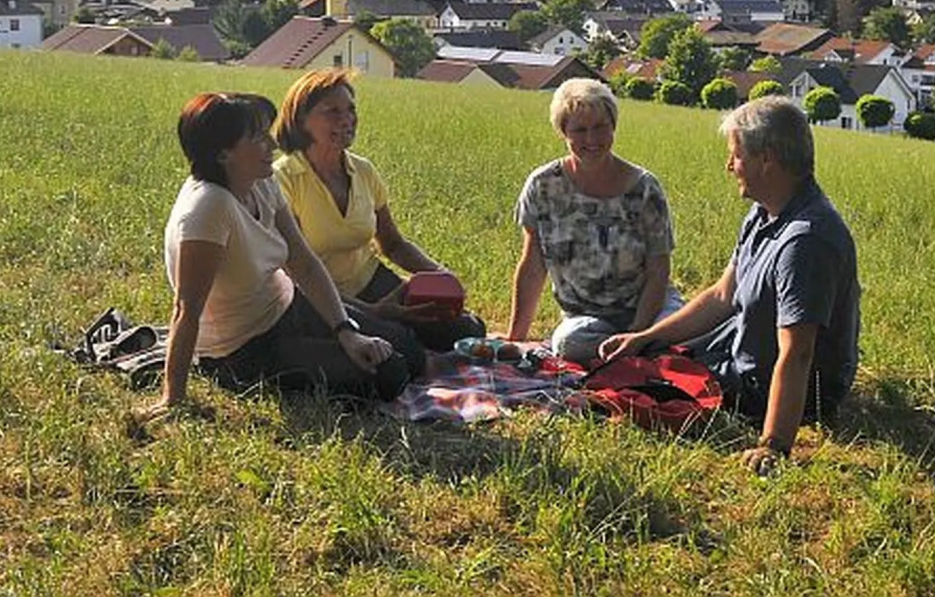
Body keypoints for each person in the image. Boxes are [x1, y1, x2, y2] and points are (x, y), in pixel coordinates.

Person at [601, 96, 861, 475]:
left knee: (644, 390)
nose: (729, 166)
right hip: (741, 345)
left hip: (775, 385)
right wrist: (644, 336)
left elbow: (799, 353)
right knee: (639, 359)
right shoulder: (764, 213)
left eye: (736, 156)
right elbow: (722, 296)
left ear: (767, 158)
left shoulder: (807, 242)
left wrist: (773, 445)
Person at [154, 92, 423, 417]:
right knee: (389, 373)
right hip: (244, 347)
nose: (273, 145)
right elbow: (186, 309)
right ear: (224, 153)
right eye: (258, 137)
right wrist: (173, 398)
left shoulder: (259, 181)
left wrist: (347, 332)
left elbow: (303, 262)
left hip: (288, 305)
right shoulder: (209, 209)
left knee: (409, 350)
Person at [272, 69, 485, 351]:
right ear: (300, 120)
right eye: (332, 112)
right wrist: (372, 312)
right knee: (400, 345)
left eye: (350, 109)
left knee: (466, 330)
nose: (346, 119)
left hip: (373, 281)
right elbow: (297, 272)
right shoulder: (283, 179)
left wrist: (440, 274)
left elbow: (394, 244)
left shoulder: (363, 170)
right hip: (322, 297)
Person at [506, 78, 683, 364]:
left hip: (649, 309)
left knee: (684, 333)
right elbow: (533, 264)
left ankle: (638, 354)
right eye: (580, 130)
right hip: (586, 321)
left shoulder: (645, 188)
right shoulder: (543, 185)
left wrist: (637, 335)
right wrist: (516, 339)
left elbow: (658, 269)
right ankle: (637, 359)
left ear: (613, 126)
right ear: (563, 132)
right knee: (569, 343)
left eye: (600, 127)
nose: (592, 139)